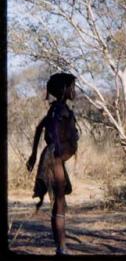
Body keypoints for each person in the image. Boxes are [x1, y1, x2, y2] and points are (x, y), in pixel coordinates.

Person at [26, 72, 79, 255]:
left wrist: (34, 154)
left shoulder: (57, 108)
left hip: (54, 156)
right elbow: (53, 128)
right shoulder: (59, 110)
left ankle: (60, 246)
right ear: (64, 90)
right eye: (72, 87)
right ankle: (62, 247)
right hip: (54, 157)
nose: (74, 91)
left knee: (58, 203)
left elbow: (40, 127)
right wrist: (56, 146)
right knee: (60, 202)